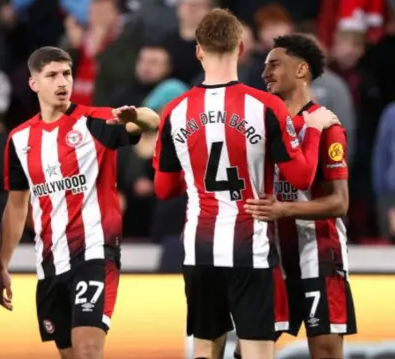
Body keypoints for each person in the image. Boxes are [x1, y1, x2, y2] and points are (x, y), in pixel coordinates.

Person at [152, 9, 340, 359]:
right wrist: (312, 129)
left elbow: (164, 190)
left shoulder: (174, 111)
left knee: (207, 347)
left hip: (199, 248)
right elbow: (301, 177)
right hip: (249, 249)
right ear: (241, 49)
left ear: (198, 51)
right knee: (256, 350)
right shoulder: (266, 106)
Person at [0, 46, 159, 359]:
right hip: (50, 263)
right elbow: (17, 206)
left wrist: (136, 115)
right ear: (34, 84)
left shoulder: (95, 122)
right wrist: (2, 264)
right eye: (52, 75)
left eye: (67, 74)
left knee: (87, 350)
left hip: (95, 252)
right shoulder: (19, 139)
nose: (62, 82)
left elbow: (152, 121)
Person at [239, 34, 356, 359]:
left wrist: (283, 209)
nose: (265, 74)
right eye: (264, 66)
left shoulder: (327, 126)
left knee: (325, 351)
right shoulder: (261, 126)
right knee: (249, 349)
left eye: (274, 65)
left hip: (317, 251)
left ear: (302, 69)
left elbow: (339, 202)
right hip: (270, 253)